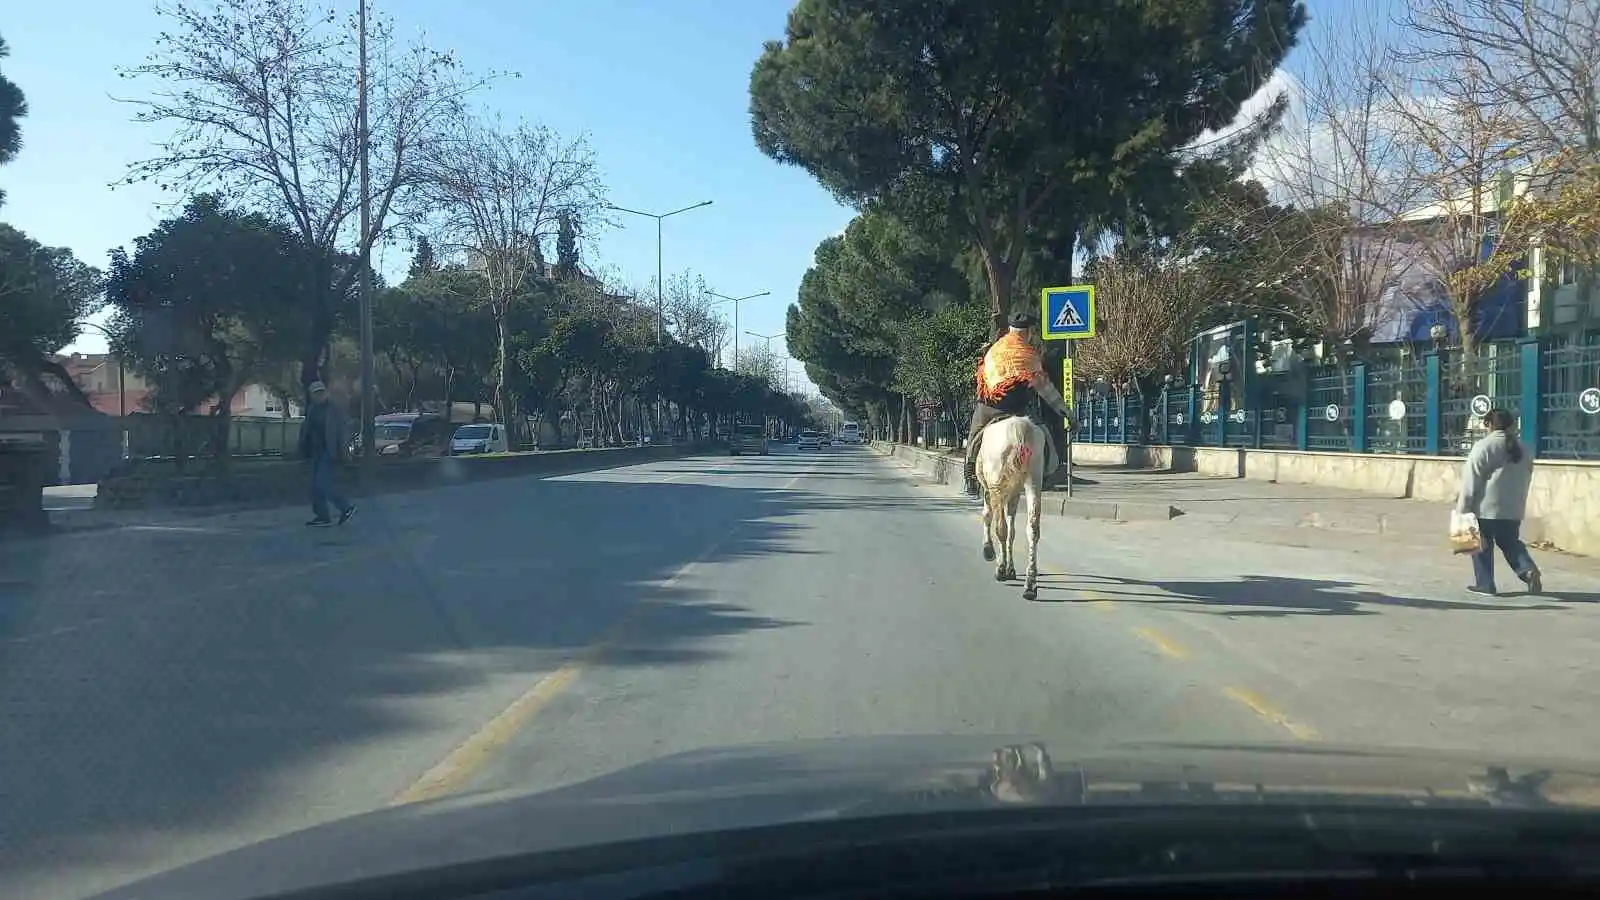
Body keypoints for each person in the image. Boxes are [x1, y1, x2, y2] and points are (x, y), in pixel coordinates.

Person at [963, 311, 1075, 497]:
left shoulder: (995, 350)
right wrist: (1067, 414)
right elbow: (1046, 390)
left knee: (975, 435)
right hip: (1019, 409)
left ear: (1010, 330)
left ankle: (970, 477)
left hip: (990, 407)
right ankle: (1047, 473)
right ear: (1029, 332)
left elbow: (983, 378)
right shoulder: (1030, 355)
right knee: (1044, 435)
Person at [1457, 408, 1539, 595]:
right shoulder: (1523, 449)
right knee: (1510, 542)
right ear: (1511, 425)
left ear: (1489, 425)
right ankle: (1527, 569)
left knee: (1480, 545)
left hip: (1486, 508)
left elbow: (1470, 482)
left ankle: (1485, 584)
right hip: (1513, 508)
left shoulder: (1484, 447)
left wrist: (1463, 510)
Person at [299, 381, 357, 527]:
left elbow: (343, 432)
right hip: (315, 451)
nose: (319, 395)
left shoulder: (335, 410)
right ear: (311, 395)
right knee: (313, 485)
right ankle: (322, 515)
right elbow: (306, 430)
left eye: (321, 392)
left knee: (322, 483)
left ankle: (346, 507)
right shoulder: (312, 409)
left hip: (330, 451)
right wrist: (302, 446)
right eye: (316, 393)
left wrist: (344, 450)